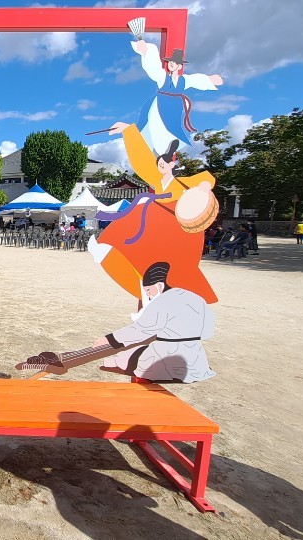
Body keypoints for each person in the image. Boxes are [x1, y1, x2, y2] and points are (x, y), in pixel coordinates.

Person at [89, 121, 219, 305]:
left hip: (178, 230)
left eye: (164, 163)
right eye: (159, 163)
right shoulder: (157, 181)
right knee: (136, 259)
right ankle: (145, 295)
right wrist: (129, 131)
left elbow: (207, 179)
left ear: (173, 164)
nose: (161, 166)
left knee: (176, 270)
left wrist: (203, 187)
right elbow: (141, 161)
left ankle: (166, 302)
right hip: (155, 227)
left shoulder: (185, 183)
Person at [94, 262, 216, 383]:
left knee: (122, 359)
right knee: (130, 355)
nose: (148, 295)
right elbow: (208, 331)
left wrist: (109, 339)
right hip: (196, 358)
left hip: (168, 357)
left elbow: (140, 330)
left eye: (148, 290)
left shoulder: (162, 301)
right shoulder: (196, 298)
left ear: (159, 285)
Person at [132, 41, 223, 155]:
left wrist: (210, 79)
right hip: (160, 105)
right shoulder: (163, 77)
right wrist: (146, 51)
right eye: (170, 62)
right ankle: (153, 153)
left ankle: (166, 155)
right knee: (156, 127)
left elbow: (195, 80)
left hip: (174, 107)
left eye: (174, 62)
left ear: (179, 66)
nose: (171, 64)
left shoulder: (183, 80)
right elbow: (153, 69)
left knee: (172, 131)